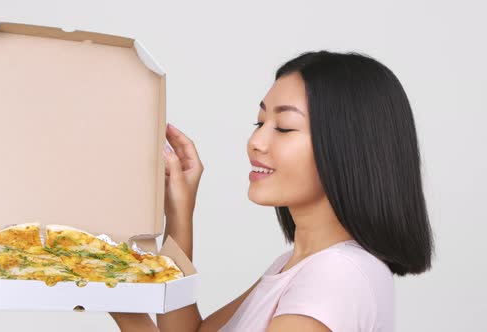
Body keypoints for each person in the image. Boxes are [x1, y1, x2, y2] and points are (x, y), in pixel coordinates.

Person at [110, 50, 434, 331]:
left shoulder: (336, 275)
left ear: (348, 147)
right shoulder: (296, 265)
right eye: (259, 123)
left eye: (283, 127)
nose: (256, 142)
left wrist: (113, 290)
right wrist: (180, 213)